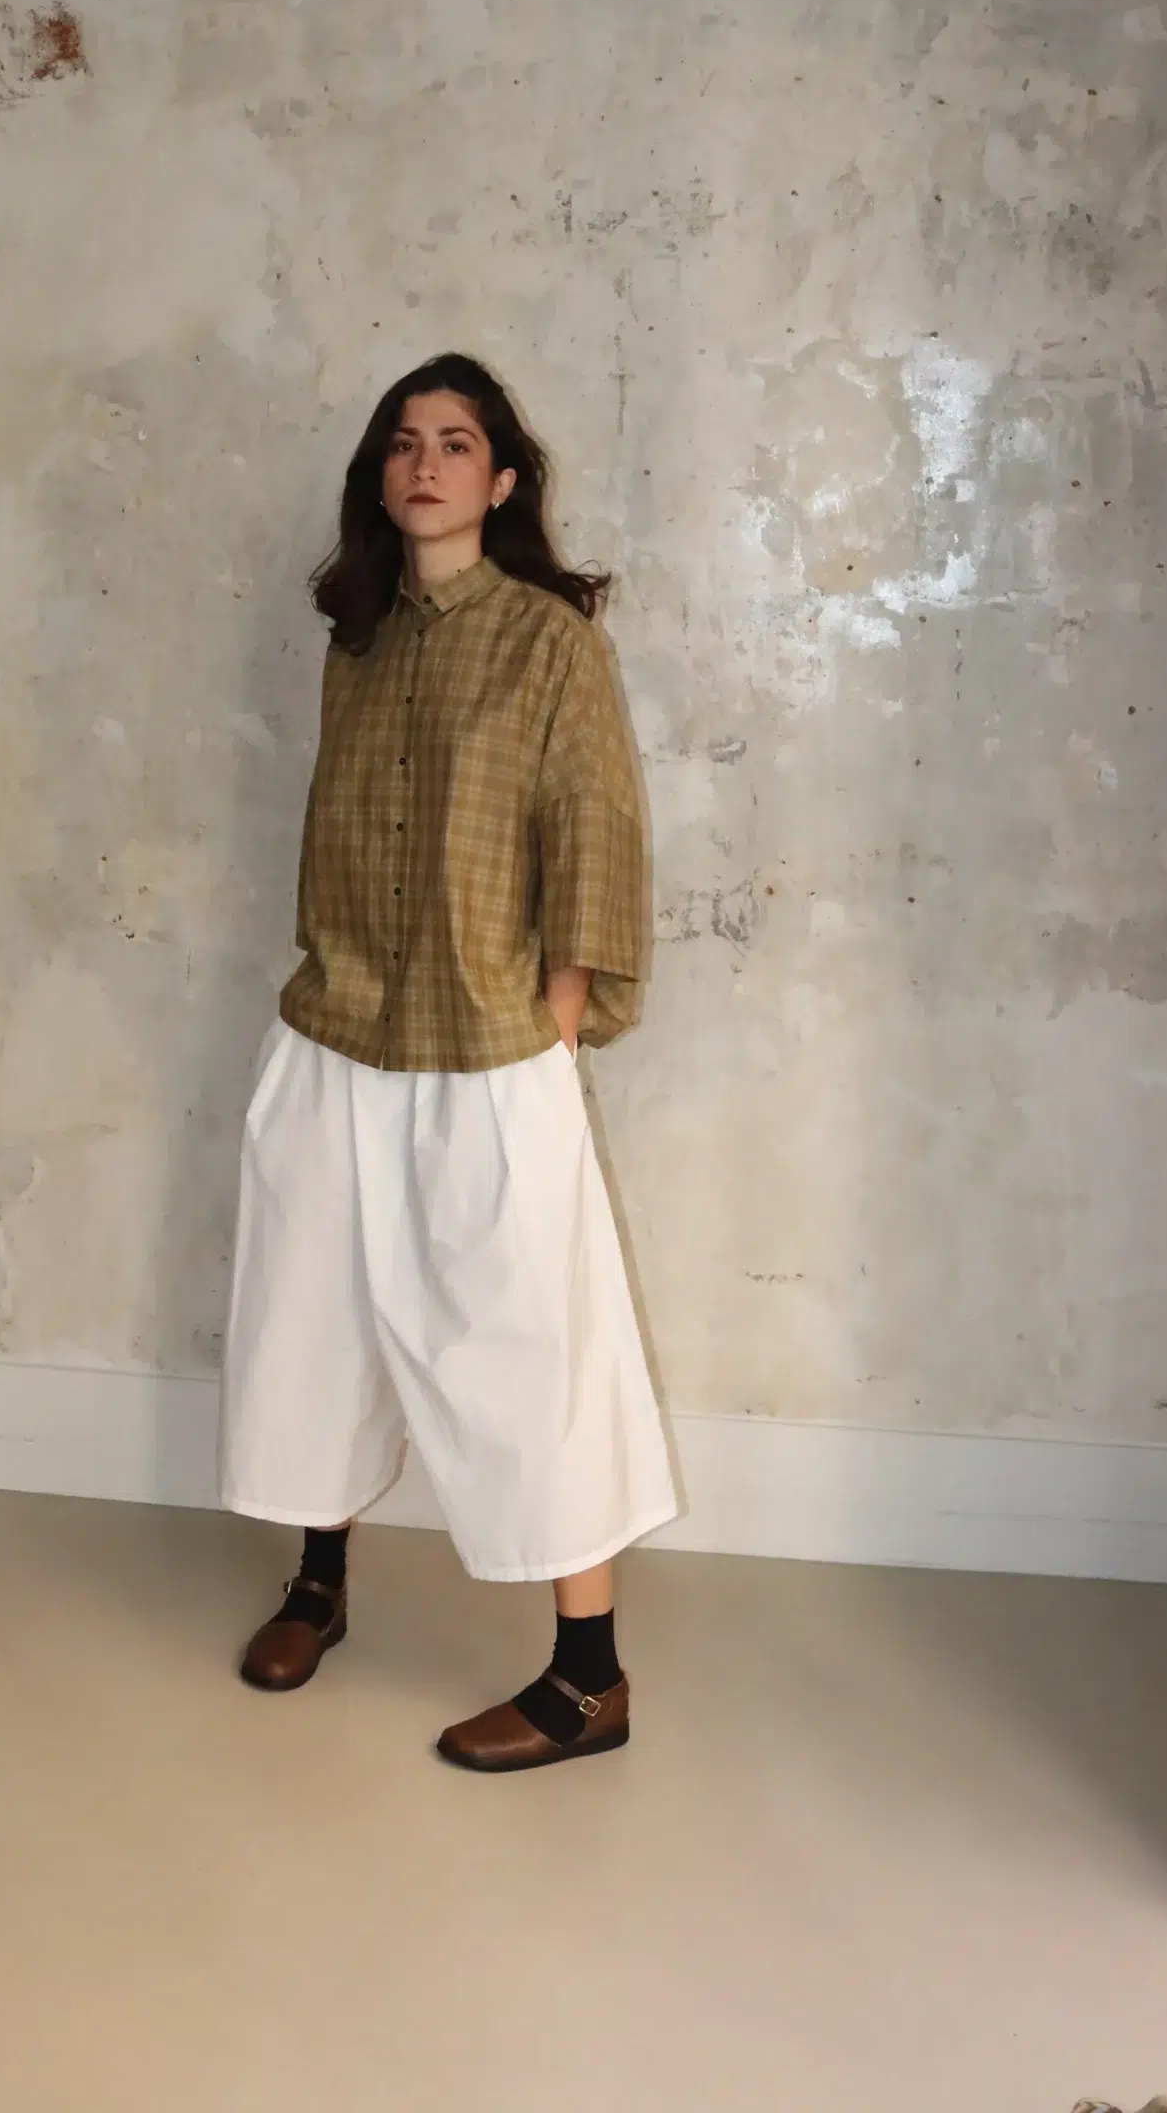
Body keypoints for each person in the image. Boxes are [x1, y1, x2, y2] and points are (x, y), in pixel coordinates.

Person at [217, 354, 678, 1774]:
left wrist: (557, 1014)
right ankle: (318, 1584)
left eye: (456, 442)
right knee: (313, 1314)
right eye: (403, 443)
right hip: (339, 1029)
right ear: (380, 475)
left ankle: (587, 1680)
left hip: (484, 1044)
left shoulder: (549, 643)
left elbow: (592, 825)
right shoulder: (354, 642)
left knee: (531, 1345)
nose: (425, 464)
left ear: (503, 478)